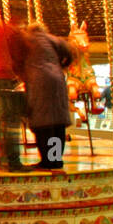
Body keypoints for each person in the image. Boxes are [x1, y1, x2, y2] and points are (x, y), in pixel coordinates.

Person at [20, 24, 74, 170]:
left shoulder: (27, 40)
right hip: (58, 79)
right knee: (57, 123)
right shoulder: (53, 39)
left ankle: (47, 160)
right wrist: (62, 65)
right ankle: (56, 159)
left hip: (38, 80)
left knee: (43, 124)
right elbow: (70, 52)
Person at [0, 8, 28, 170]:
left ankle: (4, 159)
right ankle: (13, 160)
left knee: (6, 119)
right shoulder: (12, 32)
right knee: (12, 120)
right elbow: (20, 57)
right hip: (8, 77)